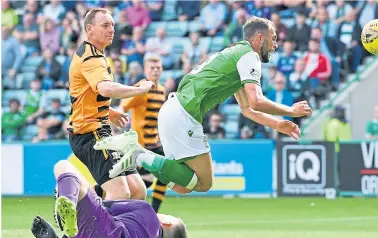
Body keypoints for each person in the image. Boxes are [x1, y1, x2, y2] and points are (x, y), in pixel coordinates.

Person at [95, 16, 312, 195]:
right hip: (184, 114)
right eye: (273, 39)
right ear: (259, 37)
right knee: (204, 183)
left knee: (182, 186)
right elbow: (256, 100)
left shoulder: (233, 55)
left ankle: (138, 156)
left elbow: (247, 109)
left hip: (172, 110)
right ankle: (137, 153)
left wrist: (277, 124)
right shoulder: (249, 56)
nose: (275, 45)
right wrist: (291, 111)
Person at [1, 160, 187, 238]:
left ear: (167, 222)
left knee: (63, 167)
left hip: (105, 234)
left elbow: (104, 207)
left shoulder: (147, 211)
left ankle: (68, 200)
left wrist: (85, 195)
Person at [68, 8, 156, 200]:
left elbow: (86, 95)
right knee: (121, 193)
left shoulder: (93, 53)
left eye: (113, 25)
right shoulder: (91, 58)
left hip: (101, 130)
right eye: (105, 25)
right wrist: (139, 89)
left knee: (137, 190)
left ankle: (91, 207)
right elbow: (105, 89)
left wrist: (108, 111)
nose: (112, 29)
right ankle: (90, 225)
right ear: (90, 29)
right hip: (90, 134)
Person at [120, 55, 167, 213]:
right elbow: (124, 104)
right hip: (139, 145)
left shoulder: (161, 90)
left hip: (154, 144)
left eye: (158, 67)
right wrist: (119, 116)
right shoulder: (141, 88)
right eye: (152, 68)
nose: (155, 70)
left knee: (165, 174)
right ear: (146, 70)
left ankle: (153, 212)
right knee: (136, 184)